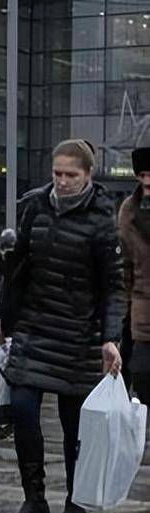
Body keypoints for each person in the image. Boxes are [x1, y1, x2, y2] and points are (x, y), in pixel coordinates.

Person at [0, 139, 124, 513]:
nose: (62, 181)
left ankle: (74, 506)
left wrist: (110, 337)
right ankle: (34, 500)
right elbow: (17, 266)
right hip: (33, 325)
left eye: (71, 175)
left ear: (88, 175)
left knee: (73, 427)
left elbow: (113, 287)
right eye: (57, 173)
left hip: (79, 335)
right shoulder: (36, 206)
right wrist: (1, 313)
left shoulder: (102, 219)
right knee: (22, 409)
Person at [121, 146, 150, 404]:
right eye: (142, 175)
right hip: (141, 309)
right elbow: (125, 264)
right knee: (142, 376)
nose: (147, 181)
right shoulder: (130, 210)